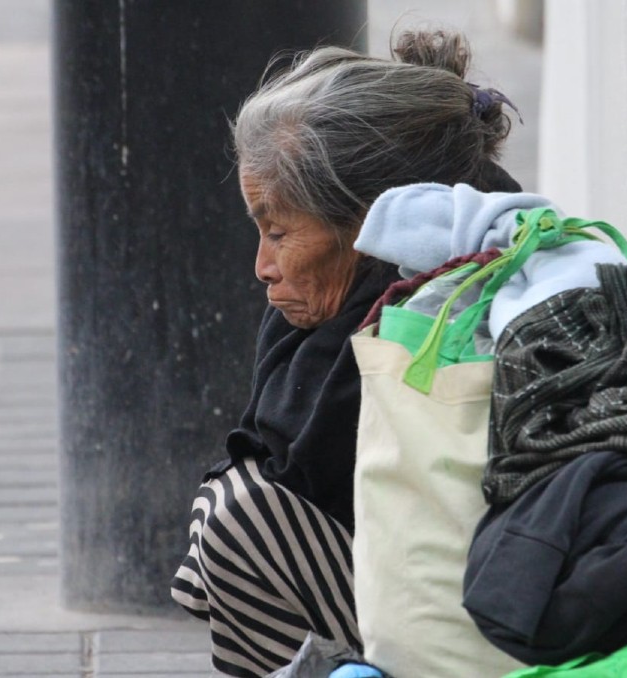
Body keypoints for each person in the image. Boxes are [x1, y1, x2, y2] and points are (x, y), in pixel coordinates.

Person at [169, 29, 524, 677]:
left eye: (278, 232)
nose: (262, 266)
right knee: (240, 507)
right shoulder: (440, 234)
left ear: (364, 222)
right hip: (451, 588)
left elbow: (293, 467)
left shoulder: (440, 302)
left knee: (241, 524)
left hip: (487, 621)